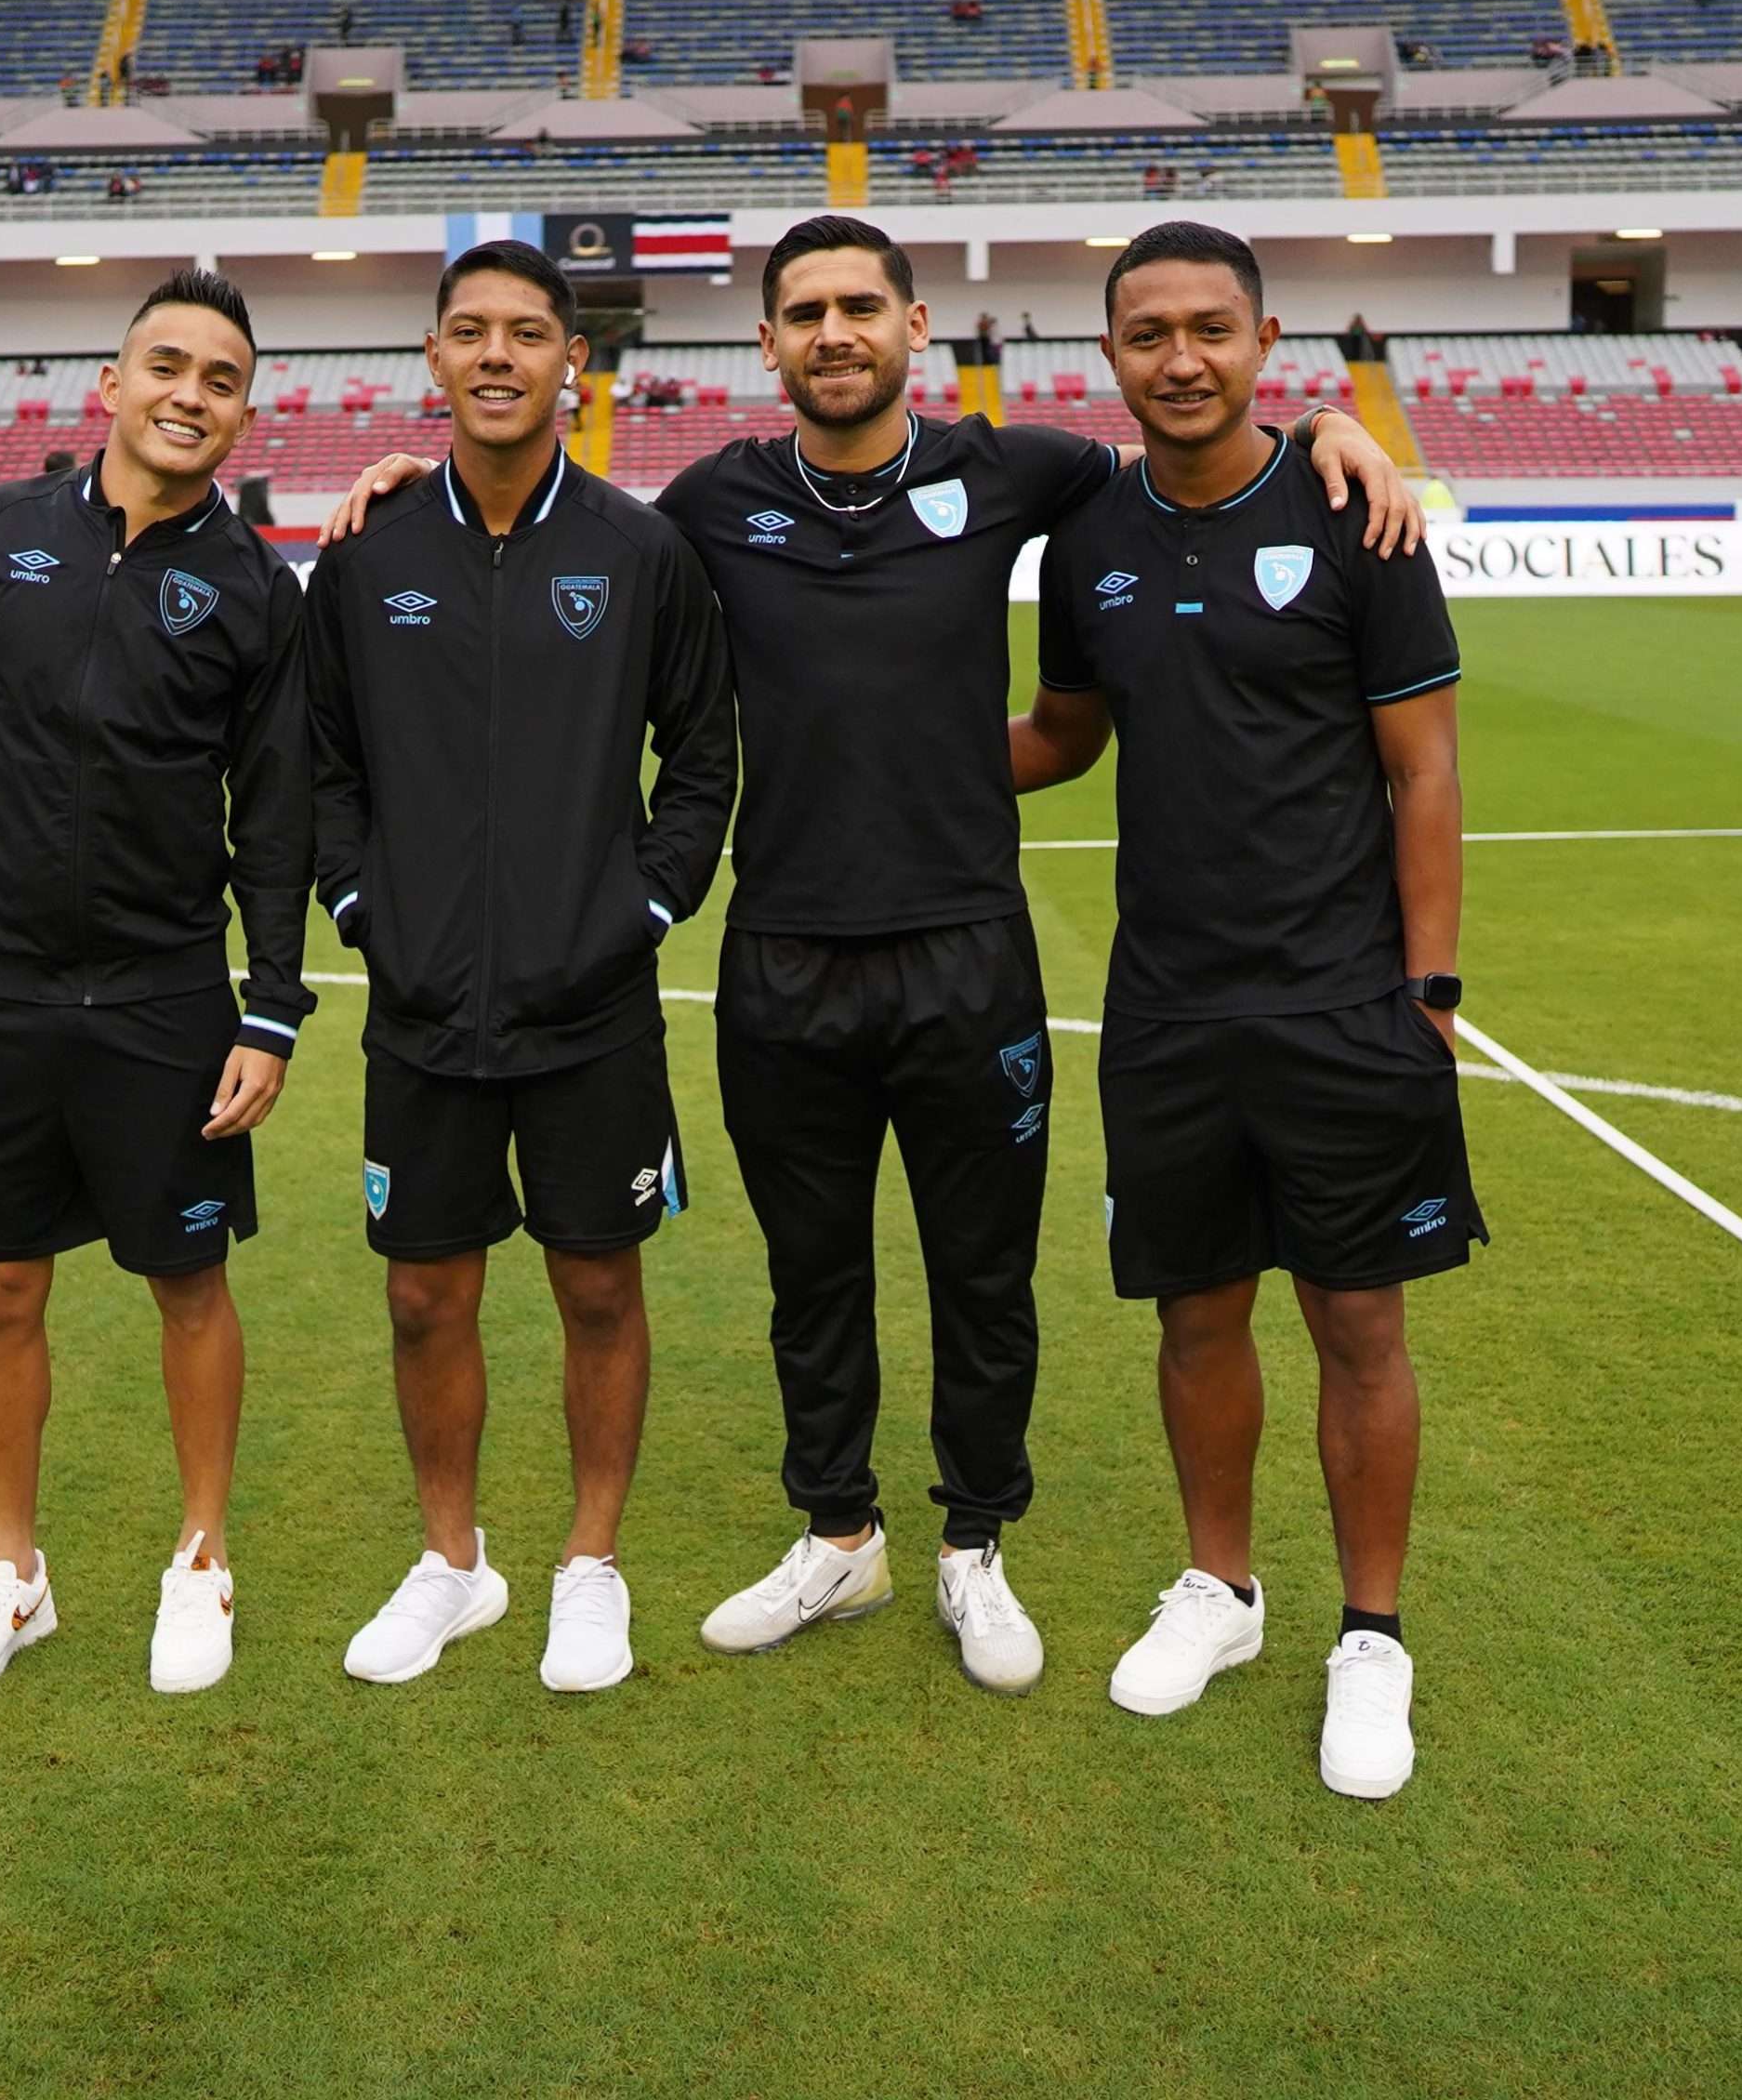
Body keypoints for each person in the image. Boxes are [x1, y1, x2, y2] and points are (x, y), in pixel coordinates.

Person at [318, 216, 1419, 1697]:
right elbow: (553, 527)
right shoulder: (707, 505)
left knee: (983, 1274)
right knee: (811, 1272)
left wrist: (1338, 429)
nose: (835, 333)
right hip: (783, 953)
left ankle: (976, 1545)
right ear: (766, 346)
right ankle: (839, 1532)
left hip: (969, 950)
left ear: (916, 326)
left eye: (861, 307)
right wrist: (404, 480)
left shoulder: (1022, 471)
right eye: (804, 313)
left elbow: (1197, 449)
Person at [1016, 222, 1477, 1798]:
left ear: (1266, 341)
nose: (1183, 358)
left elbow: (1425, 768)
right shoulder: (1087, 534)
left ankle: (1372, 1637)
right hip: (1167, 1007)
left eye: (1212, 328)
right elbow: (1063, 737)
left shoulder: (1354, 511)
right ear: (1113, 355)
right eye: (1149, 334)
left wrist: (1431, 988)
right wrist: (870, 737)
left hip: (1347, 1001)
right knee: (1196, 1310)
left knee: (1358, 1319)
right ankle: (1221, 1589)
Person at [0, 269, 314, 1705]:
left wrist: (270, 1010)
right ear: (111, 382)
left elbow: (277, 817)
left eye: (221, 379)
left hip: (166, 996)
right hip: (7, 993)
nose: (190, 395)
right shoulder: (2, 536)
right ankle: (14, 1574)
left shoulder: (254, 591)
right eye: (167, 365)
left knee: (187, 1279)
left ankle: (203, 1557)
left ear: (241, 413)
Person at [307, 242, 737, 1695]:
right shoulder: (367, 555)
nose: (499, 355)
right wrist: (366, 907)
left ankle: (591, 1568)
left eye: (530, 333)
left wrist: (647, 910)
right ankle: (454, 1564)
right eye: (471, 332)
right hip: (423, 1006)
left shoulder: (638, 548)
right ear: (431, 359)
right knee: (426, 1297)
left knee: (598, 1289)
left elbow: (705, 757)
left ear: (574, 364)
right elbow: (323, 764)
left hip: (592, 1007)